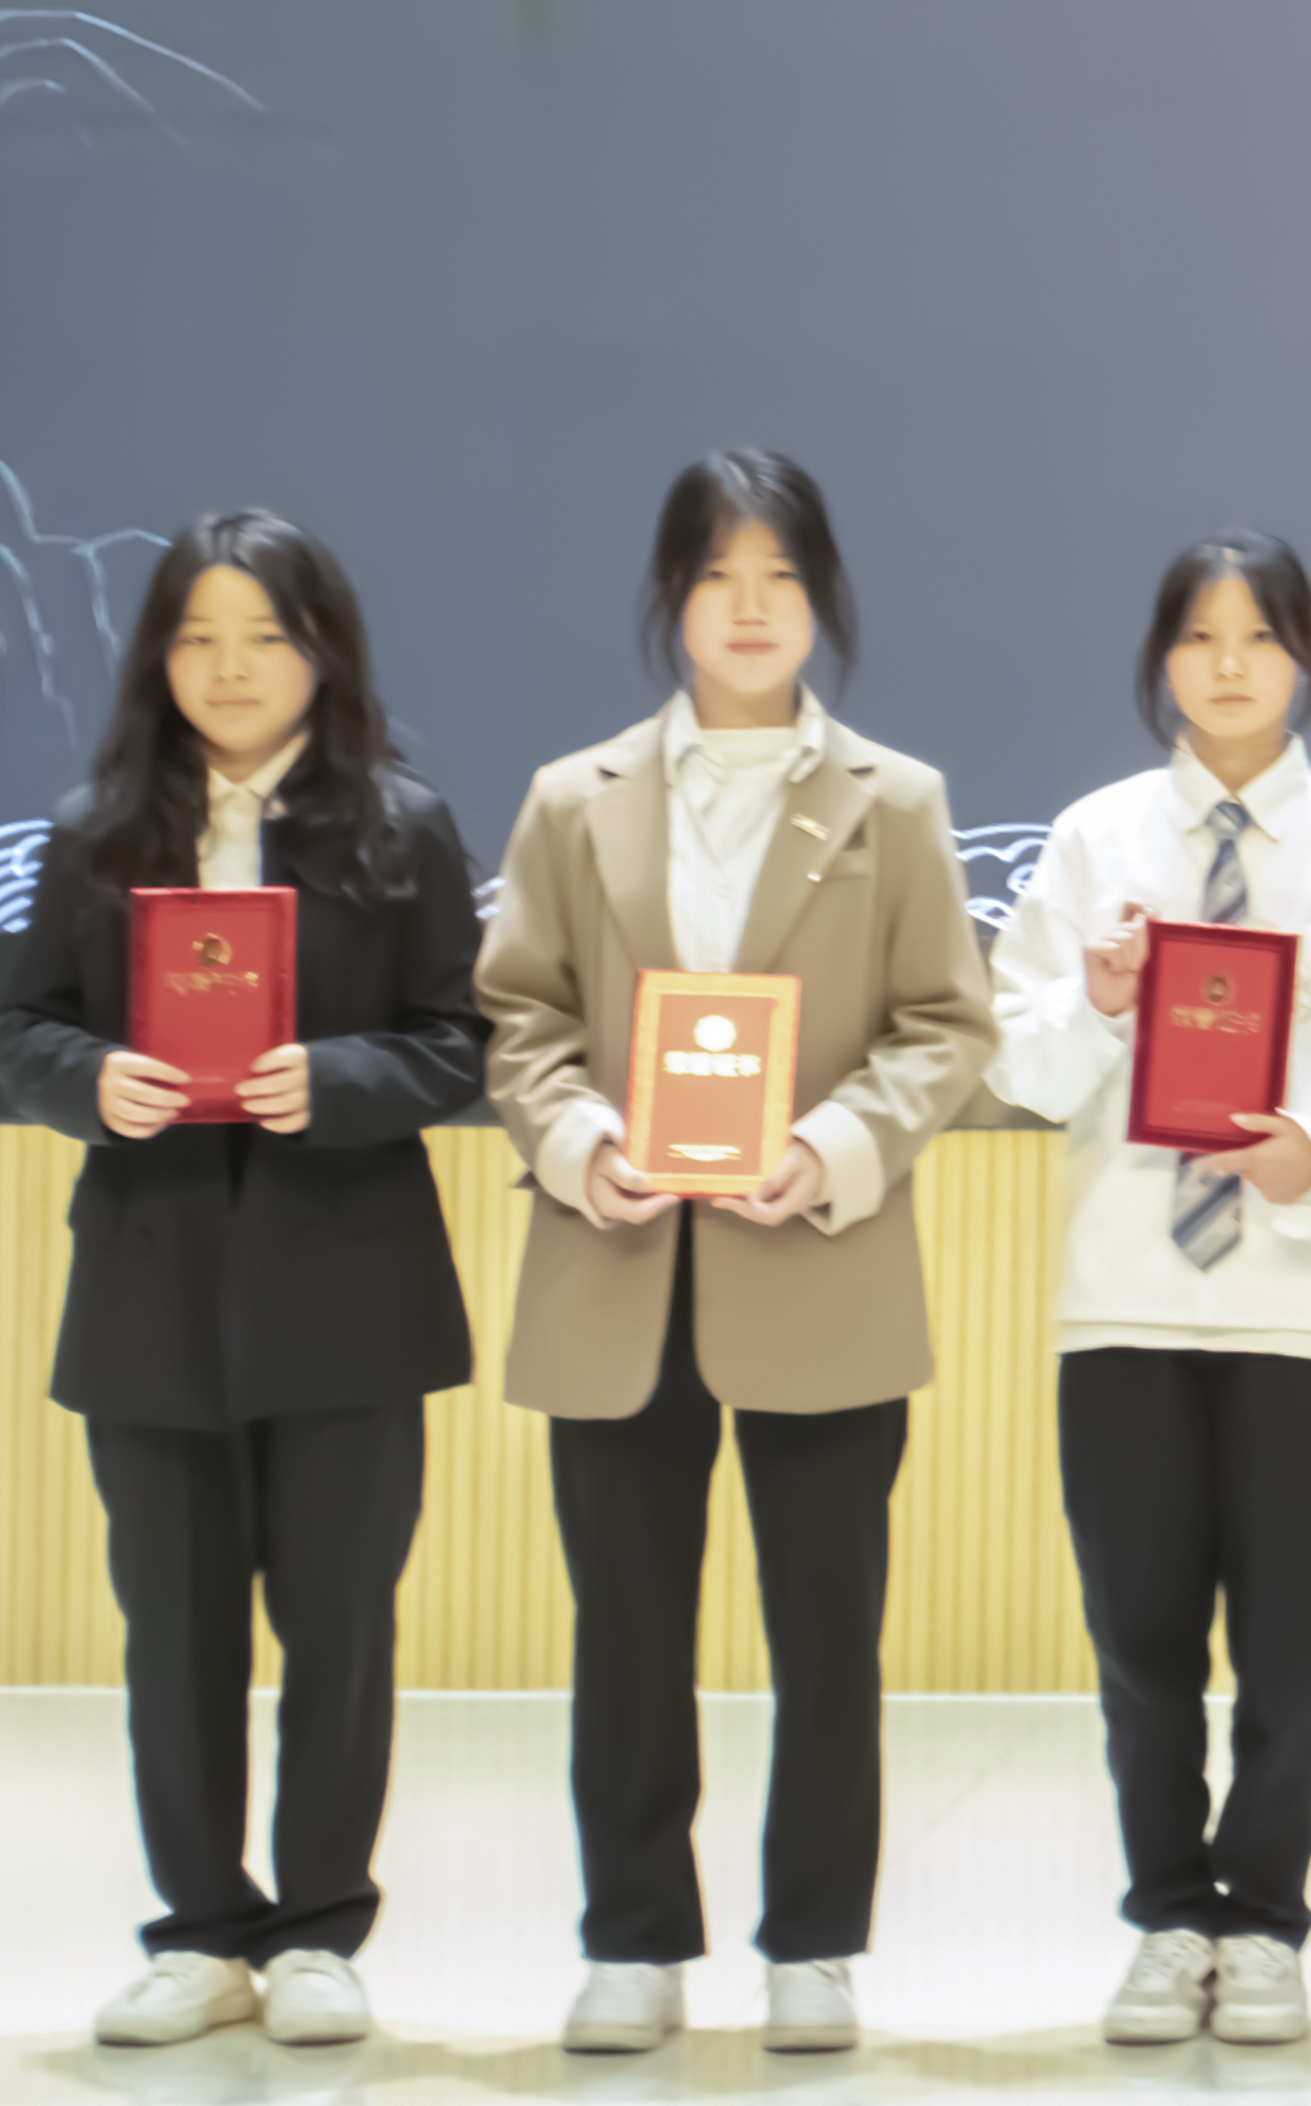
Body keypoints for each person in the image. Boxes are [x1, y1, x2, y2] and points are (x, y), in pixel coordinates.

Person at [473, 450, 998, 2056]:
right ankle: (632, 1940)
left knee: (827, 1634)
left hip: (818, 1267)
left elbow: (945, 1026)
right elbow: (519, 1017)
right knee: (625, 1632)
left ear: (820, 599)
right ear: (672, 599)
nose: (750, 608)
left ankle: (815, 1945)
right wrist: (580, 1141)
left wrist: (829, 1147)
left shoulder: (895, 801)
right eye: (717, 577)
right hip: (618, 1272)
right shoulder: (573, 798)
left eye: (781, 578)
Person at [0, 513, 488, 2052]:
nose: (230, 668)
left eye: (265, 636)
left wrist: (333, 1079)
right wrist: (93, 1081)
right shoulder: (95, 831)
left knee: (341, 1626)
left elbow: (457, 1044)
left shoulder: (402, 828)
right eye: (198, 637)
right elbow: (23, 1029)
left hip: (348, 1292)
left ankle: (323, 1927)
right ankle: (200, 1929)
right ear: (159, 656)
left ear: (322, 653)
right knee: (176, 1630)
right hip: (153, 1292)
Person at [987, 534, 1311, 2047]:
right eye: (1200, 637)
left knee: (1291, 1649)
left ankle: (1261, 1921)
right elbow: (1022, 1065)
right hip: (1125, 1299)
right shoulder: (1090, 843)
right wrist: (1097, 1001)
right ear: (1162, 661)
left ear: (1304, 654)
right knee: (1139, 1646)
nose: (1232, 664)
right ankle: (1164, 1914)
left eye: (1261, 635)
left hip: (1301, 1307)